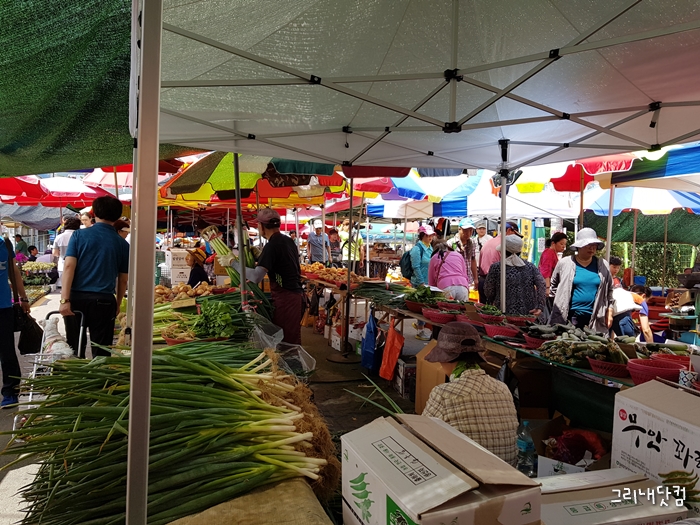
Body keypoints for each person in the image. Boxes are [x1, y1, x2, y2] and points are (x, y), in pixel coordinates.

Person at [422, 322, 518, 466]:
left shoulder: (444, 394)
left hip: (467, 474)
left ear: (446, 359)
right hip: (507, 472)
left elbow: (421, 435)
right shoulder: (503, 388)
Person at [59, 197, 129, 358]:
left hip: (76, 299)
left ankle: (76, 373)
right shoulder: (122, 244)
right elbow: (123, 279)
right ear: (118, 216)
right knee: (102, 352)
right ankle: (99, 374)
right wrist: (117, 303)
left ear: (94, 214)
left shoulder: (78, 236)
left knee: (74, 348)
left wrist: (64, 300)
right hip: (104, 301)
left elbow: (69, 267)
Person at [245, 208, 304, 345]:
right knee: (291, 338)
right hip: (295, 295)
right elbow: (281, 262)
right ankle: (292, 359)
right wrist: (260, 256)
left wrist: (233, 263)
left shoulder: (272, 245)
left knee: (287, 341)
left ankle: (293, 360)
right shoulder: (288, 240)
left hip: (286, 298)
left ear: (261, 226)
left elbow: (256, 277)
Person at [549, 228, 614, 334]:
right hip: (569, 318)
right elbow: (554, 287)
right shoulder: (565, 263)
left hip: (595, 318)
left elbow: (610, 290)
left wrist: (610, 311)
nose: (592, 248)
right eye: (588, 245)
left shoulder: (603, 265)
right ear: (579, 246)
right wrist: (560, 304)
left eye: (594, 245)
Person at [484, 235, 546, 319]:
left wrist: (492, 300)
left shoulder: (497, 267)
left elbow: (488, 290)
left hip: (504, 312)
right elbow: (541, 283)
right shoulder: (530, 266)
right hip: (528, 313)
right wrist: (540, 306)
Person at [1, 236, 30, 408]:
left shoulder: (4, 244)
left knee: (6, 351)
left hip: (3, 306)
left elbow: (15, 273)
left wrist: (23, 298)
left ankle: (10, 390)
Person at [478, 221, 521, 303]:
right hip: (496, 283)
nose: (515, 238)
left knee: (483, 309)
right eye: (515, 234)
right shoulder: (505, 245)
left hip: (483, 281)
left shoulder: (489, 242)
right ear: (508, 230)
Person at [410, 225, 435, 341]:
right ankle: (420, 330)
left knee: (426, 306)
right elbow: (416, 267)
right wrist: (421, 283)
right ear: (422, 235)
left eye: (431, 235)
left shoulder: (430, 248)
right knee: (421, 307)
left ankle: (421, 326)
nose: (430, 237)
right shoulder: (417, 249)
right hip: (419, 283)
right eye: (427, 235)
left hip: (429, 282)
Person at [448, 218, 479, 290]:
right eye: (465, 230)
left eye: (470, 230)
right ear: (459, 229)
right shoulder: (451, 243)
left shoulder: (472, 242)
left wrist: (475, 278)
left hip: (468, 279)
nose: (468, 233)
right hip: (455, 280)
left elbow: (473, 260)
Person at [53, 216, 82, 288]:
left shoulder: (59, 237)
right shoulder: (81, 236)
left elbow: (55, 253)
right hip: (79, 266)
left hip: (62, 265)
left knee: (64, 287)